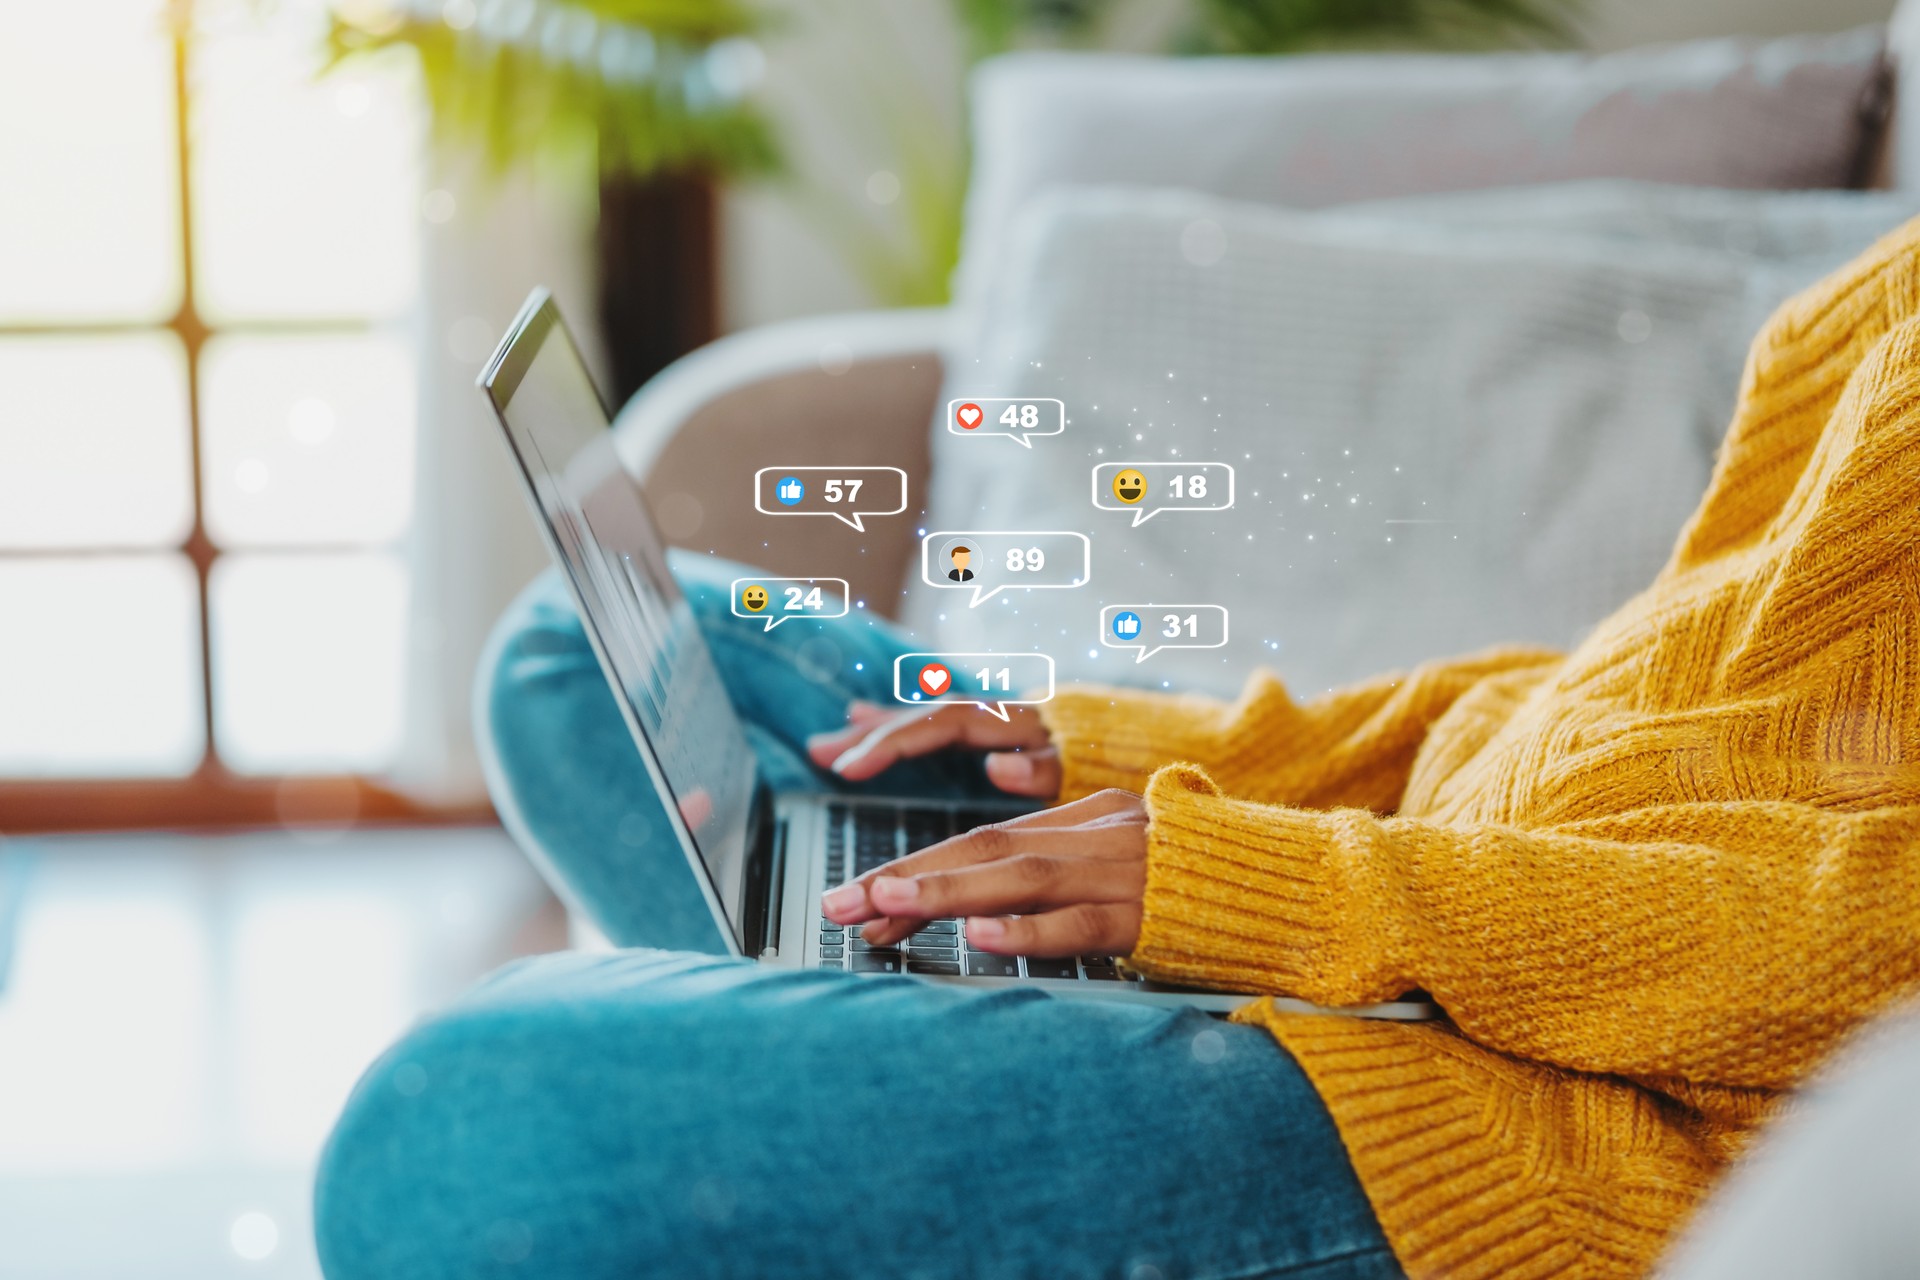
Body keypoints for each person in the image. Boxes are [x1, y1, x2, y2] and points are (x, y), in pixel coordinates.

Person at [315, 225, 1920, 1280]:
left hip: (1545, 1098)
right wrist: (1115, 753)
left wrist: (1260, 888)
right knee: (567, 654)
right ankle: (845, 1019)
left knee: (455, 1130)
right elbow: (1636, 696)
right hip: (1443, 883)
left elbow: (1870, 962)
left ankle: (838, 1038)